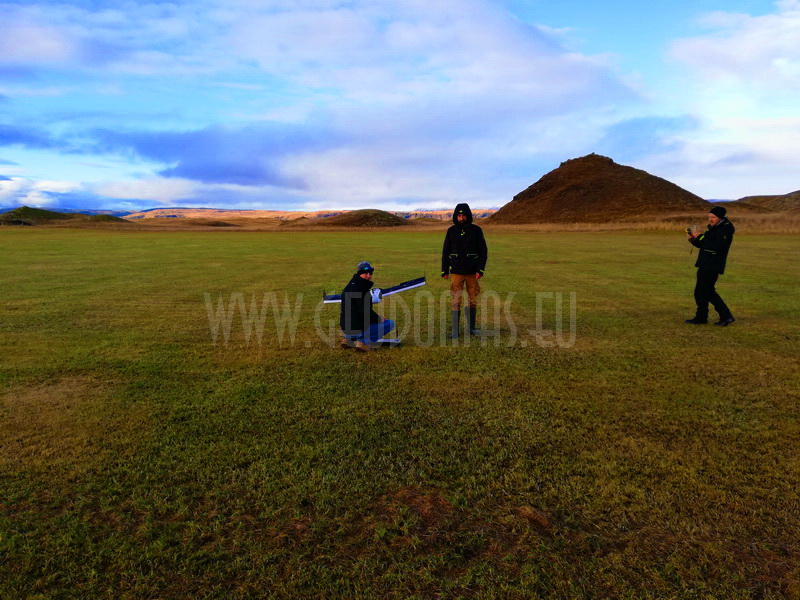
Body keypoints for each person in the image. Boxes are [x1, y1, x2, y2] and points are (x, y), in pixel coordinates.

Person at [441, 203, 488, 338]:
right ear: (456, 216)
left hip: (473, 272)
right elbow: (446, 251)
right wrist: (444, 270)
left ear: (468, 216)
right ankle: (455, 331)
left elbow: (483, 251)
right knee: (456, 300)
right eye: (459, 215)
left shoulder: (476, 230)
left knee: (472, 300)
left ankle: (471, 328)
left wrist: (480, 269)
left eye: (464, 215)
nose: (461, 218)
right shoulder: (451, 231)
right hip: (456, 271)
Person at [686, 206, 736, 326]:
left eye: (713, 217)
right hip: (705, 262)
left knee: (707, 291)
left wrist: (700, 236)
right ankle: (701, 317)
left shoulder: (725, 230)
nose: (710, 219)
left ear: (720, 217)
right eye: (709, 217)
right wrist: (693, 239)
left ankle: (726, 316)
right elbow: (704, 244)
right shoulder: (715, 228)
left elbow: (715, 246)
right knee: (700, 291)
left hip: (713, 264)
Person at [340, 261, 395, 351]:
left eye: (370, 273)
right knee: (390, 323)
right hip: (357, 329)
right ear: (360, 273)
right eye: (365, 273)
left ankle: (349, 339)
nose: (369, 276)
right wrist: (379, 318)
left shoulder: (349, 286)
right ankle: (364, 342)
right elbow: (365, 312)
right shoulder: (362, 289)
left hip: (346, 329)